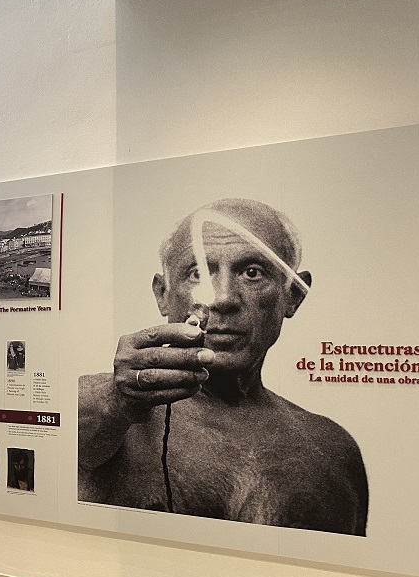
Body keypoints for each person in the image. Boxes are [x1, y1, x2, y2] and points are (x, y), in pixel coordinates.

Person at [78, 197, 368, 534]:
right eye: (197, 273)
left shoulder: (334, 450)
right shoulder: (107, 414)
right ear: (162, 294)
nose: (223, 298)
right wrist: (115, 401)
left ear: (293, 295)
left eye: (252, 273)